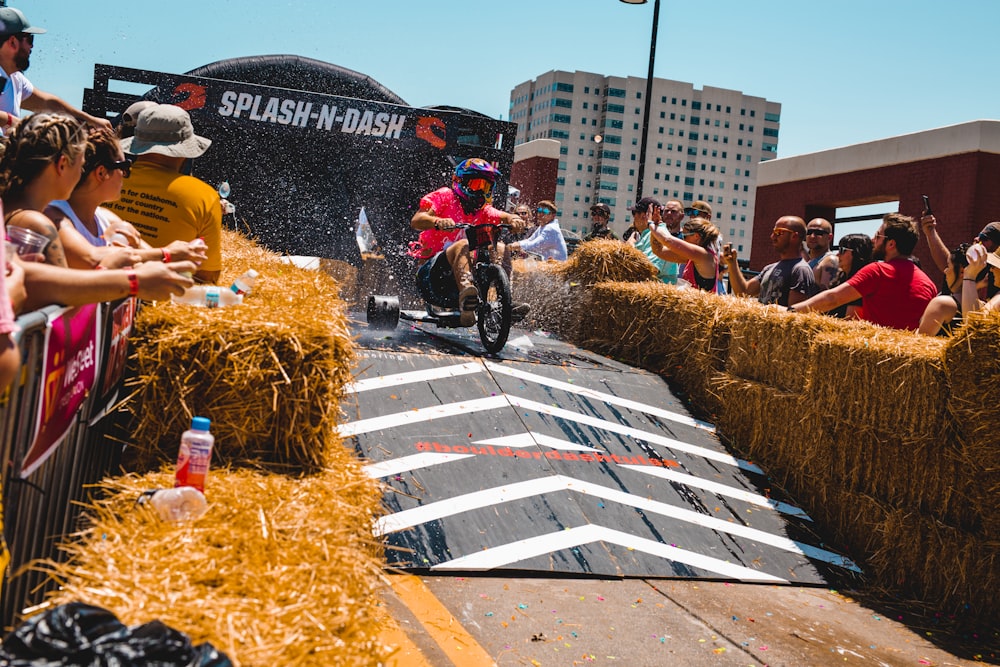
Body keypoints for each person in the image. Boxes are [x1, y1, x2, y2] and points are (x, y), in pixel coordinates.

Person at [45, 127, 207, 270]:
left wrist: (170, 254)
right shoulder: (55, 216)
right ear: (101, 173)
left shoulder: (106, 218)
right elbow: (90, 259)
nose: (125, 174)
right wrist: (166, 253)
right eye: (124, 167)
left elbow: (157, 265)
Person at [105, 104, 222, 283]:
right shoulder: (204, 196)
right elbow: (206, 277)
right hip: (159, 295)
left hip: (100, 282)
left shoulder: (107, 180)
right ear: (185, 150)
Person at [409, 158, 526, 326]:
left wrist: (514, 219)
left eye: (485, 187)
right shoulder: (445, 196)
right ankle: (467, 298)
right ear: (459, 181)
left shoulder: (483, 210)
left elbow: (503, 216)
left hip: (458, 280)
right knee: (463, 245)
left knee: (499, 247)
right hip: (431, 278)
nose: (480, 192)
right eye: (476, 185)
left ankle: (502, 303)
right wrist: (437, 222)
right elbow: (417, 220)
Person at [790, 213, 937, 331]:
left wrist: (789, 311)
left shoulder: (878, 271)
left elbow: (833, 299)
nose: (873, 240)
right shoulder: (928, 283)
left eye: (878, 236)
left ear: (891, 244)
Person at [0, 7, 111, 135]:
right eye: (29, 39)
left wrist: (90, 121)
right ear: (13, 42)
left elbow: (47, 103)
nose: (32, 46)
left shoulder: (15, 79)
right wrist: (13, 122)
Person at [724, 215, 815, 306]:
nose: (772, 237)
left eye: (778, 232)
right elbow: (743, 292)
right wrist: (732, 263)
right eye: (773, 232)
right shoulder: (769, 268)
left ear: (794, 236)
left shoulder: (801, 270)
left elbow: (795, 313)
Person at [917, 243, 990, 336]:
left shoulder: (942, 304)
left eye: (948, 265)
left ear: (962, 271)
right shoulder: (984, 307)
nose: (945, 271)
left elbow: (921, 341)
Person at [649, 216, 721, 292]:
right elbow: (659, 251)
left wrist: (651, 224)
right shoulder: (695, 257)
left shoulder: (703, 255)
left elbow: (667, 240)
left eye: (684, 236)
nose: (682, 239)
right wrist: (656, 225)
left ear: (696, 236)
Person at [626, 196, 678, 284]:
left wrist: (629, 248)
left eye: (634, 213)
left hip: (658, 292)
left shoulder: (658, 234)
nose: (633, 218)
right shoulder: (648, 234)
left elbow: (649, 270)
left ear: (644, 216)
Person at [827, 233, 872, 319]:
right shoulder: (840, 279)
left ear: (857, 253)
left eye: (842, 250)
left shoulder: (862, 284)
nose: (837, 255)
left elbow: (851, 321)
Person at [805, 218, 839, 289]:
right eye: (809, 232)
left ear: (829, 237)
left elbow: (827, 294)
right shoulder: (809, 262)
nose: (812, 236)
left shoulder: (830, 260)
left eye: (818, 233)